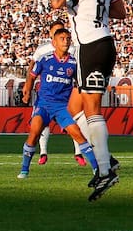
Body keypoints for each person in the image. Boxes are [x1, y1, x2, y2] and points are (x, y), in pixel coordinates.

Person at [51, 0, 126, 202]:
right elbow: (121, 12)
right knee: (73, 109)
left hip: (90, 46)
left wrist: (65, 2)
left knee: (92, 108)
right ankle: (106, 158)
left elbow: (57, 2)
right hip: (105, 41)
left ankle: (105, 169)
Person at [17, 27, 100, 181]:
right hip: (44, 104)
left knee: (77, 133)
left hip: (63, 107)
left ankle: (96, 168)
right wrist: (27, 89)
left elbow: (81, 83)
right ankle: (24, 169)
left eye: (68, 38)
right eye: (62, 38)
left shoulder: (74, 63)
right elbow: (32, 75)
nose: (66, 41)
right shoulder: (45, 59)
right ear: (54, 42)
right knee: (34, 133)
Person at [22, 19, 86, 166]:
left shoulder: (72, 48)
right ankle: (43, 152)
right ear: (51, 33)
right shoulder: (42, 49)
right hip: (46, 95)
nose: (63, 38)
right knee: (41, 124)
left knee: (74, 124)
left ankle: (78, 153)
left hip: (66, 95)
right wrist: (27, 86)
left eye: (62, 30)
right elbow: (32, 66)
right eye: (57, 30)